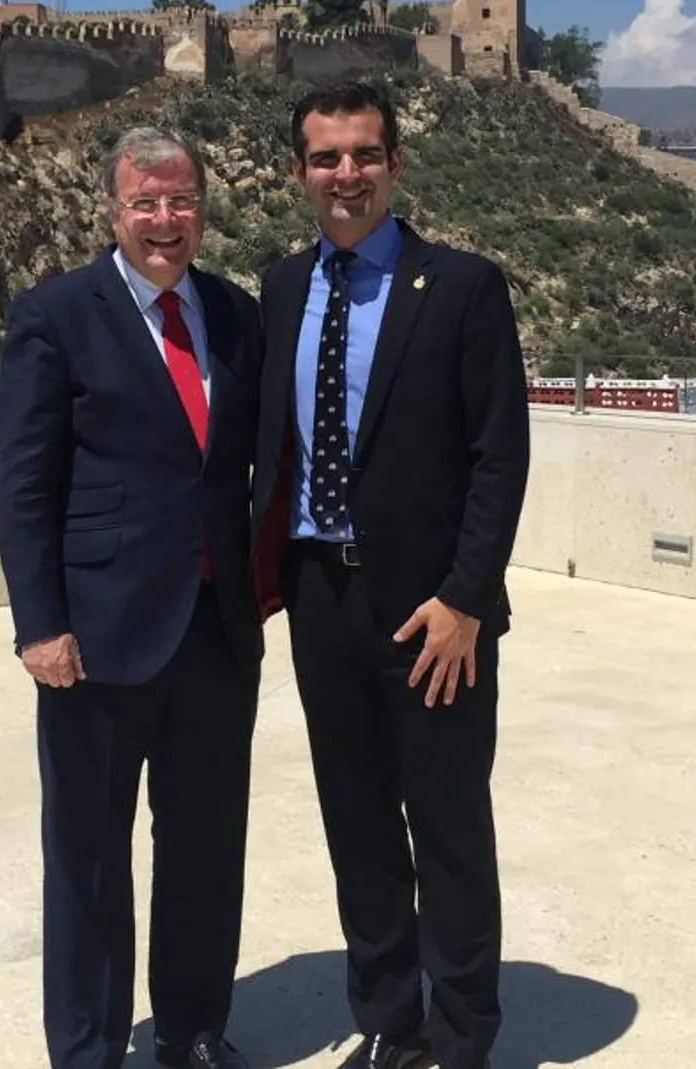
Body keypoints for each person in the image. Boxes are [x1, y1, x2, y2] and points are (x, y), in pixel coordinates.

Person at [250, 82, 530, 1069]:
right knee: (358, 823)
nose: (345, 174)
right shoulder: (283, 289)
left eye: (364, 154)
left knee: (447, 822)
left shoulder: (460, 286)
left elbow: (499, 454)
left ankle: (458, 1037)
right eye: (325, 157)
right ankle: (388, 1022)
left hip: (431, 607)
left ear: (395, 165)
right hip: (321, 594)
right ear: (299, 172)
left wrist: (464, 597)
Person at [0, 126, 263, 1069]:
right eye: (145, 202)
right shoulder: (55, 314)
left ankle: (192, 1030)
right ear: (113, 211)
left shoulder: (235, 315)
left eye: (181, 200)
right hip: (97, 637)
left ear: (202, 209)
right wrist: (40, 626)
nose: (165, 219)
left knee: (204, 849)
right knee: (90, 858)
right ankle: (88, 1047)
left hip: (216, 633)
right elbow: (24, 484)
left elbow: (253, 468)